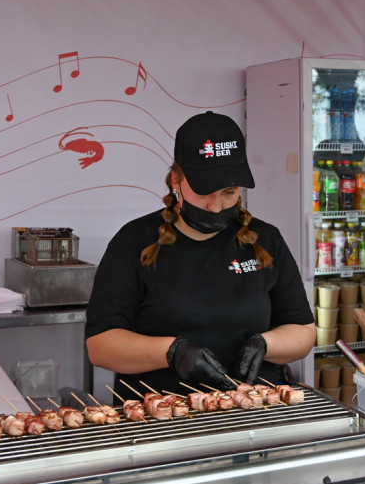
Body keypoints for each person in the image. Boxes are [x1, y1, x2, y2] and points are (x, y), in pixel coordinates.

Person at [85, 111, 315, 402]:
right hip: (159, 417)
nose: (215, 207)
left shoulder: (266, 240)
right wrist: (172, 352)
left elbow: (303, 332)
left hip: (251, 414)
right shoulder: (133, 242)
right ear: (176, 180)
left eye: (229, 192)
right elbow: (101, 346)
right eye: (203, 191)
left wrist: (265, 344)